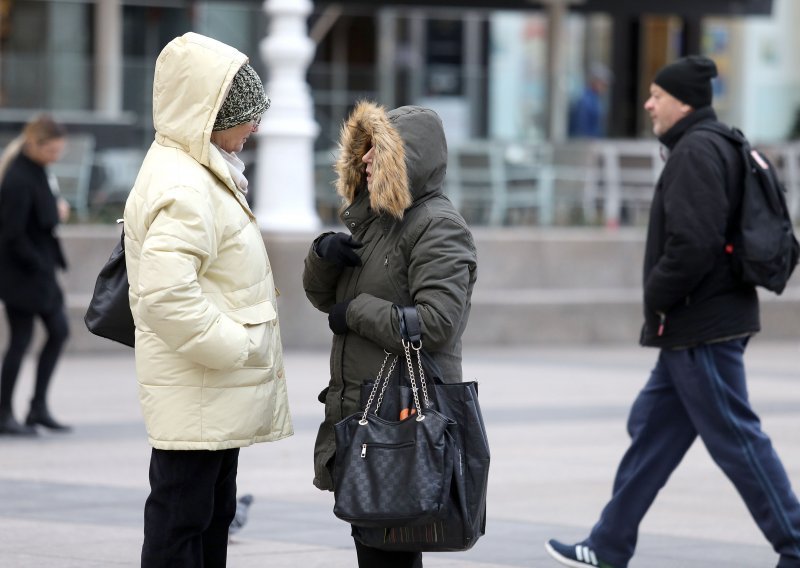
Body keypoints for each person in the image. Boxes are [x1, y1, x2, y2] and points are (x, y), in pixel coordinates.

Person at [545, 55, 800, 568]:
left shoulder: (695, 152)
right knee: (653, 431)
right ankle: (609, 543)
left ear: (683, 101)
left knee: (737, 440)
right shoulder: (718, 143)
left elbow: (693, 244)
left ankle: (795, 542)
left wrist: (656, 296)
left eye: (657, 96)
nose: (649, 104)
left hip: (699, 325)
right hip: (699, 322)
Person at [123, 32, 293, 568]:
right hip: (200, 383)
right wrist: (235, 347)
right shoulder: (187, 186)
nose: (257, 126)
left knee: (206, 517)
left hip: (206, 392)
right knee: (183, 521)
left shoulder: (198, 169)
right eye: (248, 114)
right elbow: (165, 295)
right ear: (211, 116)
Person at [302, 101, 478, 568]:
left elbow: (437, 323)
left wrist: (357, 311)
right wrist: (325, 254)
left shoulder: (437, 226)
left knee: (389, 550)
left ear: (407, 158)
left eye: (376, 150)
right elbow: (325, 300)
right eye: (362, 150)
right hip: (369, 411)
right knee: (378, 545)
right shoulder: (378, 221)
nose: (364, 160)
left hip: (403, 416)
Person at [0, 114, 72, 436]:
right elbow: (11, 233)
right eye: (51, 151)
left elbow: (40, 214)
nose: (55, 157)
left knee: (57, 331)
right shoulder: (17, 177)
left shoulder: (37, 171)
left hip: (39, 270)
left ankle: (37, 408)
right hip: (23, 274)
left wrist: (57, 208)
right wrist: (39, 265)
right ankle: (5, 413)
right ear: (34, 144)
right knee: (21, 340)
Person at [568, 63, 612, 138]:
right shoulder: (586, 100)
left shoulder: (596, 99)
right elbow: (581, 128)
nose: (605, 88)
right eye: (603, 84)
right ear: (595, 82)